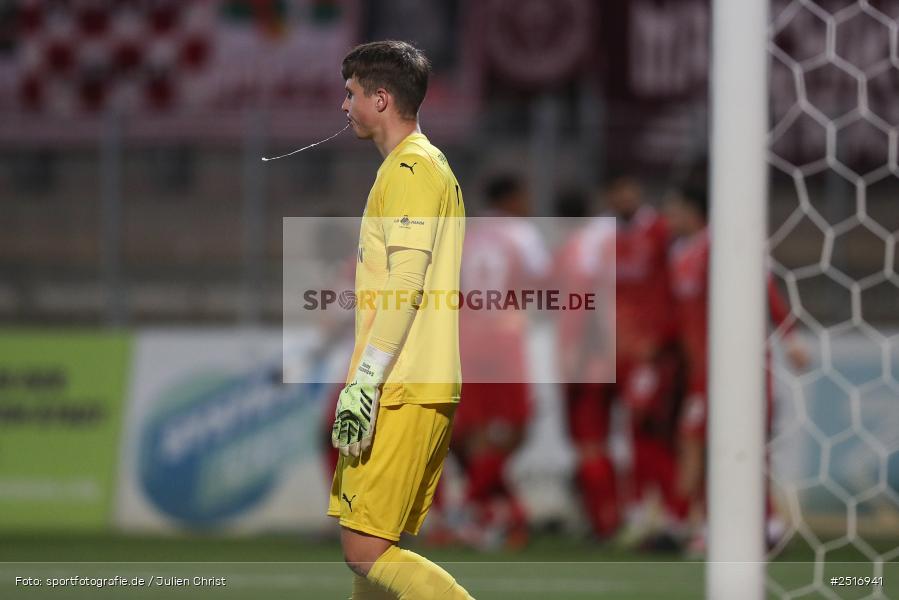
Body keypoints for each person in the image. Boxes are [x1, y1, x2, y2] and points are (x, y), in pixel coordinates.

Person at [327, 40, 472, 599]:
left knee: (364, 549)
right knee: (374, 551)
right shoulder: (417, 167)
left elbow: (407, 285)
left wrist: (366, 378)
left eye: (351, 93)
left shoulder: (412, 168)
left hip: (402, 384)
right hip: (406, 381)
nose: (344, 106)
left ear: (381, 98)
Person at [665, 172, 810, 554]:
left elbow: (763, 289)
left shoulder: (722, 243)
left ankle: (763, 524)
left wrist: (789, 337)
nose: (667, 215)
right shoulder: (680, 252)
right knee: (698, 443)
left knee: (745, 444)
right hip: (701, 370)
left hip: (740, 365)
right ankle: (709, 523)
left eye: (674, 208)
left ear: (692, 210)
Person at [450, 174, 550, 549]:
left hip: (466, 335)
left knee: (477, 434)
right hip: (504, 337)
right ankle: (470, 508)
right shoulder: (521, 234)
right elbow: (543, 281)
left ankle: (499, 515)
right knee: (516, 427)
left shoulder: (467, 232)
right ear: (511, 197)